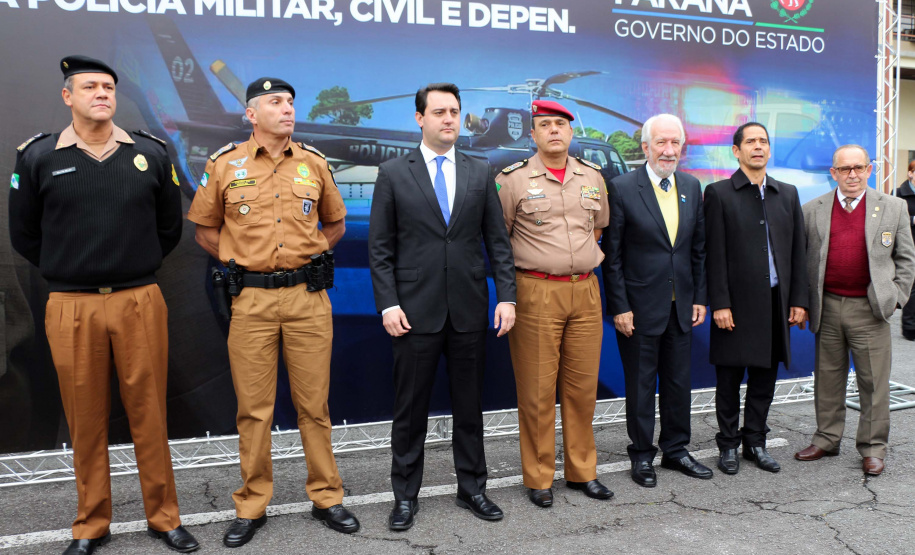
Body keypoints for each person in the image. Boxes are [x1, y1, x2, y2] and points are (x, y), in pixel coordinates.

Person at [8, 55, 198, 555]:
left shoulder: (151, 155)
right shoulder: (38, 158)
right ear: (67, 96)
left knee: (149, 413)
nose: (102, 94)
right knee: (84, 419)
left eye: (109, 87)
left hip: (138, 300)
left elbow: (169, 230)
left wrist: (128, 266)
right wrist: (73, 268)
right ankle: (92, 524)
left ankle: (164, 517)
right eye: (89, 86)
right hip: (71, 305)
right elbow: (24, 235)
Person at [187, 77, 359, 547]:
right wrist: (239, 262)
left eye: (290, 102)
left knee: (314, 406)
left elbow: (336, 222)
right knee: (254, 410)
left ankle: (327, 496)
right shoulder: (225, 164)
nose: (287, 109)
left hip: (307, 298)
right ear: (251, 113)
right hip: (253, 301)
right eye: (275, 103)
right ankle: (251, 504)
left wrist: (309, 253)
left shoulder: (314, 163)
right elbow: (204, 229)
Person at [368, 83, 516, 530]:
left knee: (470, 407)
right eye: (438, 112)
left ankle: (473, 488)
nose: (448, 119)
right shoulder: (394, 173)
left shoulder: (479, 169)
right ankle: (405, 497)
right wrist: (388, 304)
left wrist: (506, 295)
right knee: (409, 411)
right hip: (413, 312)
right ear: (420, 118)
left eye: (454, 111)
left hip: (470, 310)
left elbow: (497, 241)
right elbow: (380, 248)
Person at [494, 100, 612, 508]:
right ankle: (540, 476)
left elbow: (597, 231)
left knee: (582, 390)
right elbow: (500, 243)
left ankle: (582, 471)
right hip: (537, 292)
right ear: (533, 134)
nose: (554, 131)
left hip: (585, 291)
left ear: (571, 131)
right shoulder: (511, 181)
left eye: (560, 124)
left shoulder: (593, 177)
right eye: (545, 125)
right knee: (539, 390)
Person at [601, 113, 710, 488]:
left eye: (674, 143)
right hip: (639, 309)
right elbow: (611, 256)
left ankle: (676, 450)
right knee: (642, 385)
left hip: (681, 307)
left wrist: (698, 297)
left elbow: (698, 249)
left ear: (682, 147)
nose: (668, 150)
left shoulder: (692, 187)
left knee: (679, 383)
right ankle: (643, 455)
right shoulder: (621, 187)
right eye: (660, 143)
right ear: (645, 147)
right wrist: (619, 306)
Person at [795, 144, 915, 476]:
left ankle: (873, 447)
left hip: (870, 309)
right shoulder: (812, 210)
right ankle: (827, 439)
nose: (852, 175)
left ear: (869, 170)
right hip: (828, 306)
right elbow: (801, 261)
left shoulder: (893, 207)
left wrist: (895, 298)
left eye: (859, 168)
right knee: (828, 378)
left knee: (874, 383)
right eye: (845, 169)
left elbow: (906, 260)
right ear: (832, 173)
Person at [704, 122, 808, 475]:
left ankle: (756, 443)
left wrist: (799, 300)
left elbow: (798, 252)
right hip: (734, 307)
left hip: (776, 303)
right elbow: (713, 254)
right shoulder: (718, 193)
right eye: (750, 142)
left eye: (763, 141)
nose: (758, 147)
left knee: (765, 379)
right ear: (737, 151)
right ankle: (728, 446)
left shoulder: (788, 194)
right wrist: (719, 303)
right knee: (729, 381)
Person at [894, 159, 915, 340]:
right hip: (907, 249)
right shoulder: (898, 194)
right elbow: (890, 221)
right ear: (910, 173)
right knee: (912, 287)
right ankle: (909, 328)